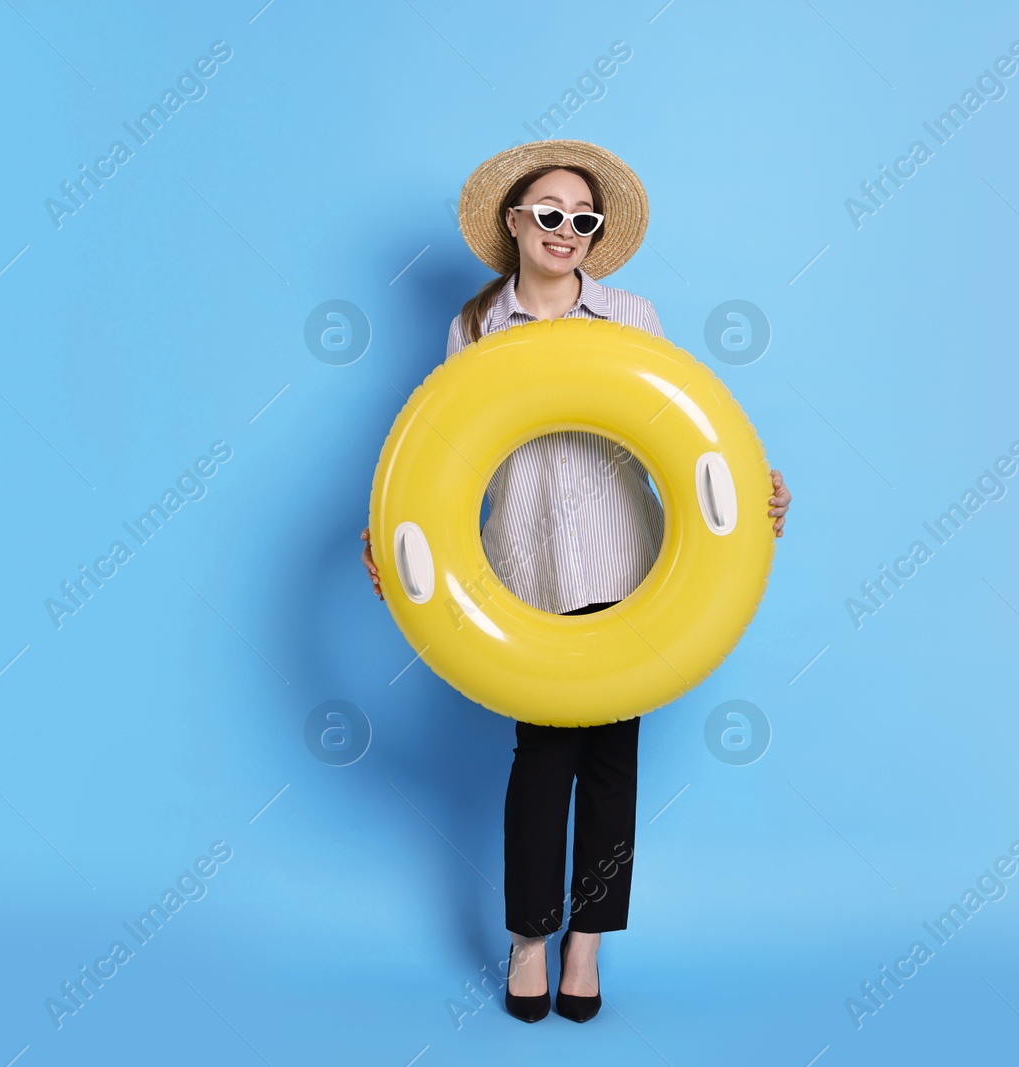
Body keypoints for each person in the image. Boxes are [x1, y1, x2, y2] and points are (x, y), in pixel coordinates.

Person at [359, 140, 792, 1023]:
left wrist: (752, 491)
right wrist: (405, 549)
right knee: (540, 761)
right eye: (549, 214)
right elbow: (446, 458)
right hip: (521, 572)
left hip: (626, 568)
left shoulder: (629, 314)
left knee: (610, 764)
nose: (565, 230)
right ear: (515, 221)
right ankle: (529, 937)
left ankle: (586, 946)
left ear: (596, 238)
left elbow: (682, 432)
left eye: (581, 220)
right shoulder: (476, 327)